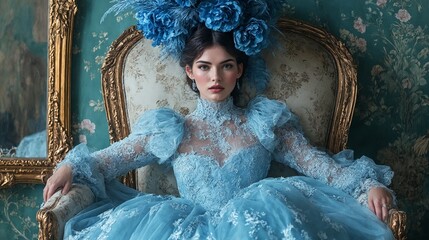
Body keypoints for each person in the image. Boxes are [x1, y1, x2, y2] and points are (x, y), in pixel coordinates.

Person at [43, 1, 396, 239]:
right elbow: (106, 161)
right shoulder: (169, 130)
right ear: (189, 72)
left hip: (256, 227)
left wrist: (368, 186)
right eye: (204, 67)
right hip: (184, 228)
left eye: (226, 65)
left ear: (239, 70)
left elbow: (321, 168)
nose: (216, 77)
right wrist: (70, 166)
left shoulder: (264, 124)